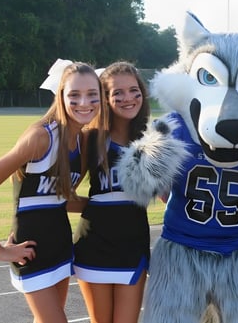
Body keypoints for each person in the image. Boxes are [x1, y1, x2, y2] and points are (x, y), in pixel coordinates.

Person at [0, 61, 104, 323]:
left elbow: (62, 200)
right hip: (30, 250)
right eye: (75, 95)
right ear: (61, 96)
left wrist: (110, 206)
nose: (85, 102)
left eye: (93, 94)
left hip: (60, 245)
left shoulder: (82, 142)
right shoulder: (41, 138)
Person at [72, 61, 151, 323]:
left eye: (133, 90)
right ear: (105, 99)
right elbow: (61, 193)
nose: (127, 98)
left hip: (133, 245)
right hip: (95, 245)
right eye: (117, 92)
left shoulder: (152, 140)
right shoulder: (90, 138)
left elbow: (167, 194)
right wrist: (97, 205)